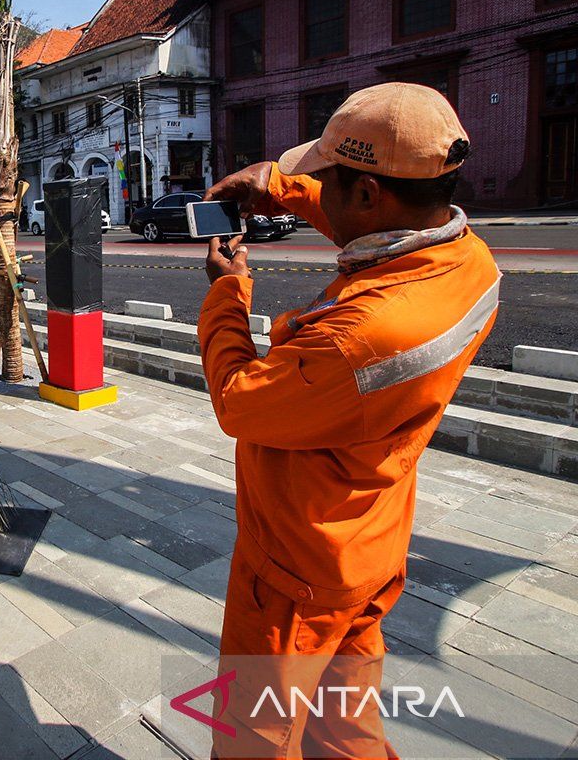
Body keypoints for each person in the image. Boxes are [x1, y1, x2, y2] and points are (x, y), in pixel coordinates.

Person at [197, 83, 499, 758]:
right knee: (343, 728)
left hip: (296, 570)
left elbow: (240, 401)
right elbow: (374, 222)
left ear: (366, 193)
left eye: (324, 179)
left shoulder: (356, 337)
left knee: (254, 737)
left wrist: (226, 293)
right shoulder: (467, 260)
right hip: (367, 544)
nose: (316, 188)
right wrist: (282, 187)